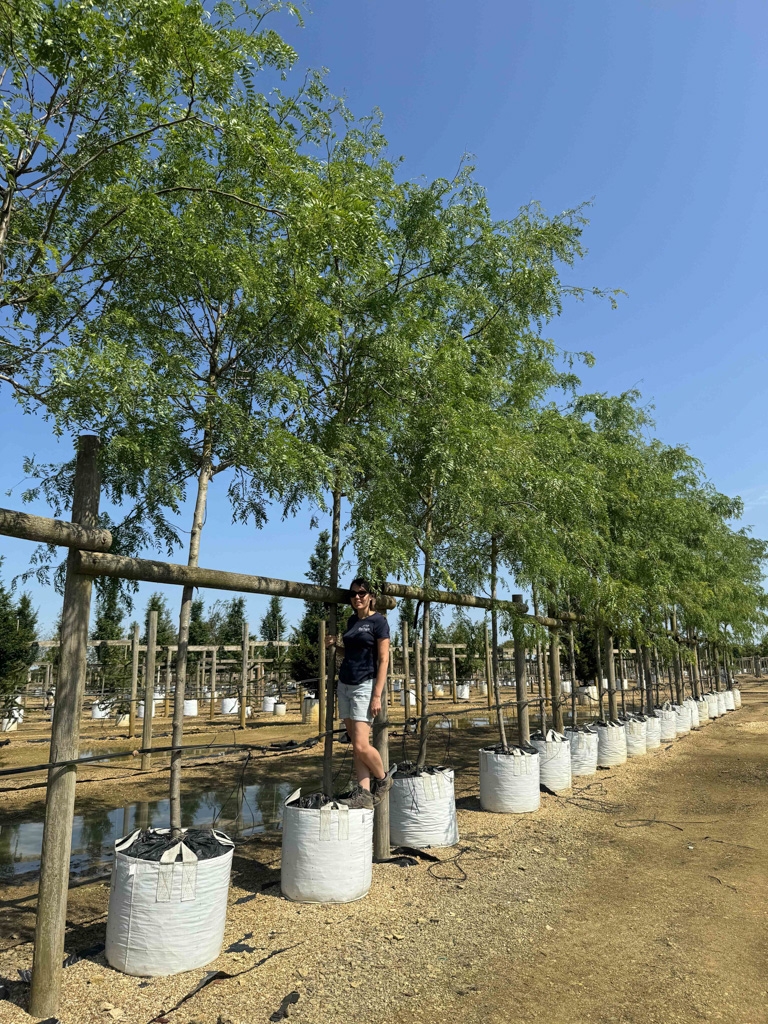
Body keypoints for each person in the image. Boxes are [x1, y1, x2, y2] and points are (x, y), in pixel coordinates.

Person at [325, 578, 396, 809]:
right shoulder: (352, 620)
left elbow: (383, 659)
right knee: (356, 745)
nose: (357, 597)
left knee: (361, 745)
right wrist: (334, 645)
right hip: (344, 684)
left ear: (371, 596)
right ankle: (363, 793)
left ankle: (383, 779)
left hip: (365, 684)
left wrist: (377, 695)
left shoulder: (379, 622)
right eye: (353, 594)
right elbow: (351, 652)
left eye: (362, 593)